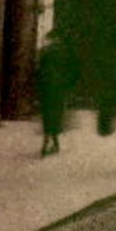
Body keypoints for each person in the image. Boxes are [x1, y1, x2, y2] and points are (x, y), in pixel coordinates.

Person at [35, 29, 77, 157]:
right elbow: (73, 71)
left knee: (47, 113)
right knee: (58, 113)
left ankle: (48, 140)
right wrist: (69, 86)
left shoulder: (44, 51)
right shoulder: (68, 52)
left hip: (46, 87)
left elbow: (39, 71)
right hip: (60, 88)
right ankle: (54, 140)